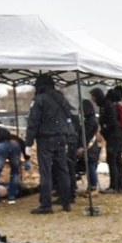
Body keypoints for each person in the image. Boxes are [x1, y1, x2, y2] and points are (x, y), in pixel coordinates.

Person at [24, 74, 74, 214]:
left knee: (46, 171)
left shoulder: (39, 99)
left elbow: (33, 122)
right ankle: (66, 202)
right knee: (63, 170)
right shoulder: (61, 98)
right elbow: (69, 118)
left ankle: (46, 204)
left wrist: (28, 143)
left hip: (46, 138)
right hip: (61, 137)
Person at [91, 87, 122, 194]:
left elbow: (112, 122)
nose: (93, 100)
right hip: (116, 135)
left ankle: (114, 186)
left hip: (113, 136)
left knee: (112, 160)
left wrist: (103, 131)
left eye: (93, 97)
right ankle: (120, 185)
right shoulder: (106, 105)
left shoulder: (107, 105)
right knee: (117, 160)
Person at [0, 126, 28, 209]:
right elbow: (23, 144)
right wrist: (27, 158)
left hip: (0, 148)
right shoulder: (15, 138)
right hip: (15, 146)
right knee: (15, 172)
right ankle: (12, 197)